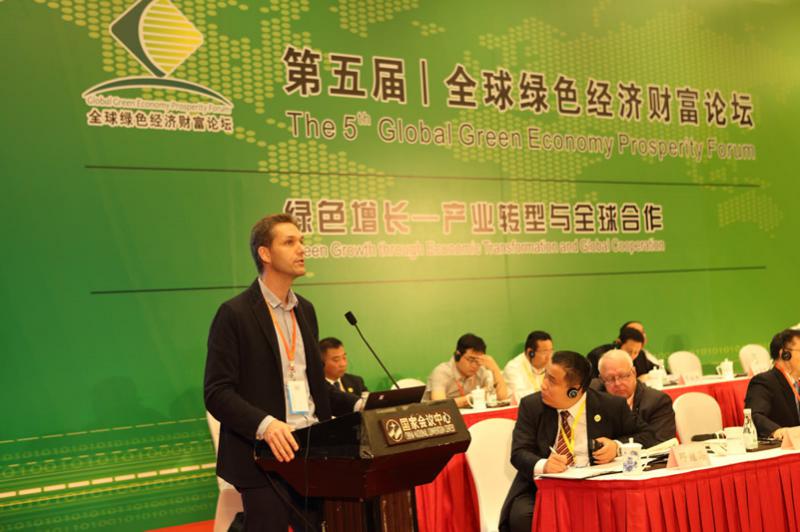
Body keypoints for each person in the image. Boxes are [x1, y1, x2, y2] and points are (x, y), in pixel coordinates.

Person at [204, 213, 357, 531]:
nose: (301, 248)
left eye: (301, 241)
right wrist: (266, 425)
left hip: (312, 449)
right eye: (289, 242)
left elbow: (313, 386)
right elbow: (217, 392)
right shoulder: (235, 314)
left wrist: (360, 404)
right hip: (263, 454)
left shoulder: (306, 309)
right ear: (265, 253)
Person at [498, 351, 655, 532]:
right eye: (546, 376)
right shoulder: (531, 406)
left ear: (574, 391)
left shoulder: (610, 406)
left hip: (596, 487)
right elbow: (519, 452)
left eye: (552, 381)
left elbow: (648, 435)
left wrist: (616, 447)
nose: (543, 385)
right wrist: (544, 465)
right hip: (542, 488)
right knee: (523, 518)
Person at [593, 349, 675, 443]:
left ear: (634, 372)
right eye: (610, 378)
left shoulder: (657, 401)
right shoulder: (594, 399)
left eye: (623, 376)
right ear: (601, 379)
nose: (618, 383)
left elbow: (660, 439)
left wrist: (616, 445)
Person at [424, 333, 510, 408]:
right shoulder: (441, 372)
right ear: (458, 355)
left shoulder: (481, 370)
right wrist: (474, 396)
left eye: (478, 361)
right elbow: (440, 405)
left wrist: (494, 368)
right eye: (471, 360)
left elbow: (502, 397)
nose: (474, 365)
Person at [745, 328, 800, 439]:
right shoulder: (764, 381)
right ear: (784, 354)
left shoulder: (797, 383)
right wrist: (777, 431)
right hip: (782, 445)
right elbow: (755, 415)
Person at [587, 324, 659, 379]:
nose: (632, 356)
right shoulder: (598, 356)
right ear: (618, 343)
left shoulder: (640, 355)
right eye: (629, 351)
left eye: (636, 352)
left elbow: (657, 370)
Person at [503, 331, 553, 401]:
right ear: (530, 353)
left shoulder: (550, 366)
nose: (549, 357)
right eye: (544, 352)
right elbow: (520, 397)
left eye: (550, 351)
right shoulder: (513, 367)